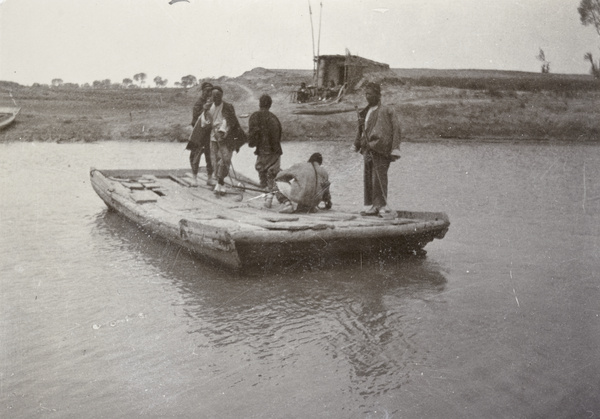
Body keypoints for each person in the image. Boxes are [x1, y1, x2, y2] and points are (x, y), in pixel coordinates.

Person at [353, 82, 401, 217]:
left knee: (379, 177)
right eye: (366, 94)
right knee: (368, 178)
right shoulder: (366, 111)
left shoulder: (387, 110)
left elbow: (396, 129)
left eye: (370, 94)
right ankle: (373, 206)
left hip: (381, 149)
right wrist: (357, 144)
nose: (367, 97)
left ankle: (381, 206)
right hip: (367, 149)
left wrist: (395, 148)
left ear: (378, 95)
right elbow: (361, 129)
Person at [199, 86, 246, 195]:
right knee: (215, 161)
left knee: (225, 160)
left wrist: (222, 132)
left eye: (218, 96)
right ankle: (221, 183)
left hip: (226, 137)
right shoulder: (208, 107)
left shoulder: (228, 107)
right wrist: (205, 112)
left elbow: (230, 122)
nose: (216, 98)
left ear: (222, 96)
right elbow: (204, 123)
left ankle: (220, 183)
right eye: (214, 96)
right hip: (213, 138)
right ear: (211, 96)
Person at [247, 94, 283, 192]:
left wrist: (253, 143)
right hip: (274, 151)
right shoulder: (274, 118)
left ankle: (264, 189)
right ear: (270, 105)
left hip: (261, 151)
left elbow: (251, 137)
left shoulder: (254, 116)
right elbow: (278, 135)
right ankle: (273, 191)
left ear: (259, 104)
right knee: (273, 174)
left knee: (262, 172)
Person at [186, 81, 214, 186]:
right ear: (203, 91)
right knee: (195, 156)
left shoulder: (213, 103)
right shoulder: (198, 103)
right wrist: (204, 109)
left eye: (211, 91)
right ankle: (194, 178)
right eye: (207, 91)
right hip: (199, 135)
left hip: (209, 134)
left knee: (210, 156)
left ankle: (210, 178)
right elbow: (195, 120)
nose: (209, 93)